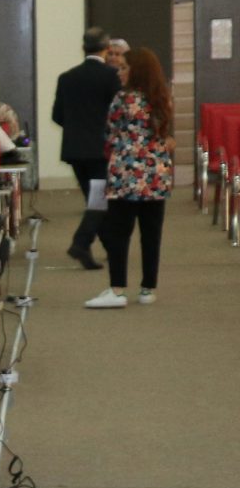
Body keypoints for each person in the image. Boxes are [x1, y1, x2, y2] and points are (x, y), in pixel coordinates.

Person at [88, 46, 174, 309]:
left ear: (136, 71)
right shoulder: (161, 98)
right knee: (151, 234)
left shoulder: (123, 99)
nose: (119, 72)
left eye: (124, 68)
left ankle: (117, 289)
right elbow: (165, 134)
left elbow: (110, 132)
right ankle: (148, 289)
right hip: (156, 174)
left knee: (119, 233)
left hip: (126, 174)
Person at [51, 27, 121, 271]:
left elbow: (57, 116)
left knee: (94, 202)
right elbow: (118, 113)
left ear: (83, 48)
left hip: (74, 150)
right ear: (107, 49)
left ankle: (108, 248)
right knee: (99, 201)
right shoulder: (111, 76)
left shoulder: (66, 78)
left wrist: (76, 129)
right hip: (100, 150)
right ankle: (81, 243)